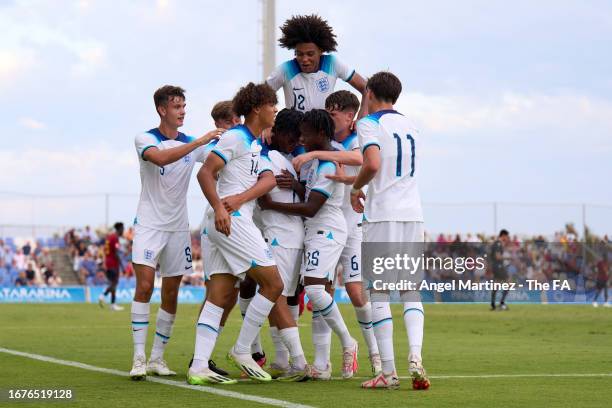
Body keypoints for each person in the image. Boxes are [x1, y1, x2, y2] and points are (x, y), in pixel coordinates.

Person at [188, 82, 283, 385]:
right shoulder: (236, 137)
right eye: (272, 104)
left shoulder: (255, 144)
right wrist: (220, 207)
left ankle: (199, 365)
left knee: (220, 294)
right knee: (274, 284)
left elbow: (270, 180)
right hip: (232, 221)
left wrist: (240, 198)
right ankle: (243, 350)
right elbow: (205, 173)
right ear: (257, 108)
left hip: (229, 218)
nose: (275, 110)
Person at [129, 85, 225, 380]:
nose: (182, 111)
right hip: (148, 224)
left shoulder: (193, 144)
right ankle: (139, 358)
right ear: (162, 110)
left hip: (177, 228)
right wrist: (200, 141)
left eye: (184, 106)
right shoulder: (145, 139)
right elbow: (161, 158)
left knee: (171, 292)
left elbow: (219, 160)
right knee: (145, 287)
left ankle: (158, 358)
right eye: (176, 107)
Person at [259, 109, 359, 380]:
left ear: (321, 135)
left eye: (307, 132)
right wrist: (296, 185)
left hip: (327, 231)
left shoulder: (326, 164)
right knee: (314, 291)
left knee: (315, 290)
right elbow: (312, 195)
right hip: (314, 233)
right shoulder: (316, 162)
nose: (302, 136)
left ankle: (349, 342)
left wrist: (271, 205)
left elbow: (312, 208)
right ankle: (322, 366)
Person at [291, 90, 382, 375]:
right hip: (324, 226)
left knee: (355, 291)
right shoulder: (323, 144)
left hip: (350, 225)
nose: (330, 116)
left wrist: (318, 152)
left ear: (349, 116)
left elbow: (360, 162)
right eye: (327, 112)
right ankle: (322, 362)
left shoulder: (355, 140)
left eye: (334, 112)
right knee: (323, 289)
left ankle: (376, 355)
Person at [350, 72, 430, 390]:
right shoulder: (412, 125)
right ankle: (415, 356)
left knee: (380, 292)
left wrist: (356, 188)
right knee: (410, 289)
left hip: (383, 214)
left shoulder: (369, 124)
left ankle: (389, 372)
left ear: (369, 93)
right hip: (413, 214)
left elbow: (371, 164)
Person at [256, 108, 310, 380]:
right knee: (280, 298)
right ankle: (282, 359)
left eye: (299, 135)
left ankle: (298, 361)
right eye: (293, 135)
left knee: (274, 296)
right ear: (278, 131)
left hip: (283, 238)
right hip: (285, 237)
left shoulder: (280, 159)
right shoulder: (281, 158)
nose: (297, 140)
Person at [266, 14, 366, 114]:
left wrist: (361, 118)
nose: (305, 59)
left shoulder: (332, 63)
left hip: (324, 129)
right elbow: (261, 97)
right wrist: (268, 127)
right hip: (295, 129)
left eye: (310, 54)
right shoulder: (285, 69)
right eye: (300, 54)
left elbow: (366, 88)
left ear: (321, 51)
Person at [99, 222, 124, 311]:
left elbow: (106, 250)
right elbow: (116, 253)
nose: (123, 231)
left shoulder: (109, 237)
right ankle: (103, 296)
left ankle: (113, 305)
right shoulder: (115, 238)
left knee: (113, 283)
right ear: (119, 229)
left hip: (108, 263)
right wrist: (122, 266)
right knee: (114, 283)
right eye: (122, 229)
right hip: (113, 263)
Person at [490, 229, 510, 311]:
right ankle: (501, 303)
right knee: (508, 283)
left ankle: (493, 304)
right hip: (499, 266)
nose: (507, 238)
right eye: (507, 236)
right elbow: (497, 256)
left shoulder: (497, 243)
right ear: (503, 235)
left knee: (497, 284)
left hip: (496, 266)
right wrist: (507, 257)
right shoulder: (498, 244)